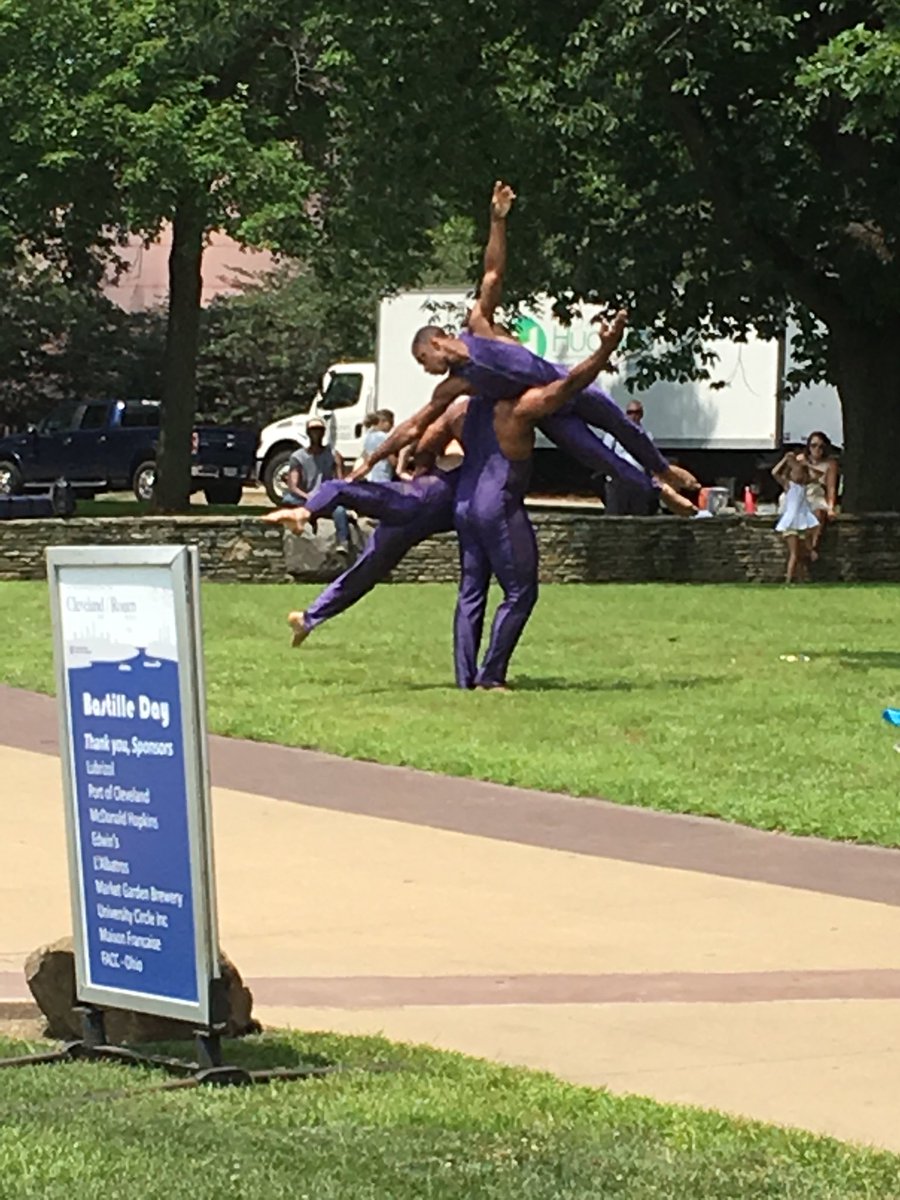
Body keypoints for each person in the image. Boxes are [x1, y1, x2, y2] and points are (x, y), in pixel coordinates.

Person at [351, 181, 699, 509]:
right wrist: (373, 457)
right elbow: (413, 426)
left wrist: (497, 221)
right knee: (603, 458)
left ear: (438, 341)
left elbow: (492, 273)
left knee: (622, 425)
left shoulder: (479, 326)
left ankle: (661, 468)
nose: (424, 368)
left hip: (566, 382)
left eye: (422, 358)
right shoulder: (455, 384)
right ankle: (659, 490)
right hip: (549, 411)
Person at [415, 310, 628, 690]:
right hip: (497, 504)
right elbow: (572, 383)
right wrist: (606, 349)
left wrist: (403, 467)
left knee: (471, 590)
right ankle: (492, 675)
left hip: (465, 504)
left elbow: (423, 438)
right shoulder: (522, 406)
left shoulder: (460, 408)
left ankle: (465, 678)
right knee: (521, 591)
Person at [278, 416, 352, 553]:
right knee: (288, 499)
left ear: (323, 432)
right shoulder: (298, 457)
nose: (316, 433)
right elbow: (293, 485)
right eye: (313, 430)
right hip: (306, 498)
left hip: (325, 497)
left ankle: (343, 542)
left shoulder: (333, 454)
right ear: (308, 432)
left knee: (340, 510)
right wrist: (308, 496)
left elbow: (340, 481)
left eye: (319, 430)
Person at [603, 400, 660, 516]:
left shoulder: (647, 436)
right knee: (614, 515)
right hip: (617, 481)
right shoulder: (614, 433)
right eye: (630, 412)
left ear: (641, 414)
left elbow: (651, 460)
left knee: (639, 515)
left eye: (637, 412)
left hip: (639, 482)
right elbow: (604, 455)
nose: (633, 416)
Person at [772, 450, 820, 583]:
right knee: (794, 553)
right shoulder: (788, 485)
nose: (798, 475)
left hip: (802, 520)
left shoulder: (804, 486)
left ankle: (801, 579)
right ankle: (788, 579)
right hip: (791, 522)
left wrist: (807, 465)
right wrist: (785, 460)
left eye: (801, 472)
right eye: (795, 472)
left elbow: (819, 475)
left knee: (801, 554)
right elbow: (774, 473)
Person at [799, 430, 840, 560]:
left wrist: (831, 507)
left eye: (821, 446)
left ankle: (812, 547)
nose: (817, 449)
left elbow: (831, 487)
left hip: (817, 494)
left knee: (819, 513)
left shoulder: (830, 464)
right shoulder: (801, 460)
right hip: (802, 493)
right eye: (813, 446)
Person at [362, 410, 397, 483]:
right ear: (382, 422)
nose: (392, 426)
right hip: (383, 477)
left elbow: (365, 457)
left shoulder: (367, 436)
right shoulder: (384, 437)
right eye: (391, 423)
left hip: (370, 477)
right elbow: (392, 461)